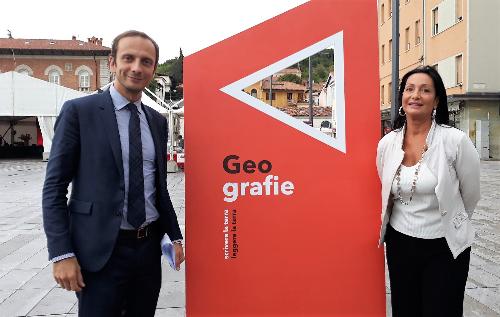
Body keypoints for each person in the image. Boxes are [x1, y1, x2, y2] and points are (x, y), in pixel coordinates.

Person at [42, 30, 185, 317]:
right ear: (112, 62)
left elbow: (158, 187)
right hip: (99, 251)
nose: (136, 67)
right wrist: (61, 253)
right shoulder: (79, 112)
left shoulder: (157, 121)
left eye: (146, 61)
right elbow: (54, 188)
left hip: (146, 252)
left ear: (154, 69)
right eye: (128, 58)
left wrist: (175, 235)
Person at [376, 66, 480, 317]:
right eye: (410, 89)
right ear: (401, 97)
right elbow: (386, 183)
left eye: (425, 90)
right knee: (405, 309)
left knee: (442, 310)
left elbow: (471, 195)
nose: (416, 95)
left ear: (436, 100)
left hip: (445, 246)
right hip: (400, 243)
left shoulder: (455, 141)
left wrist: (448, 220)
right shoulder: (387, 143)